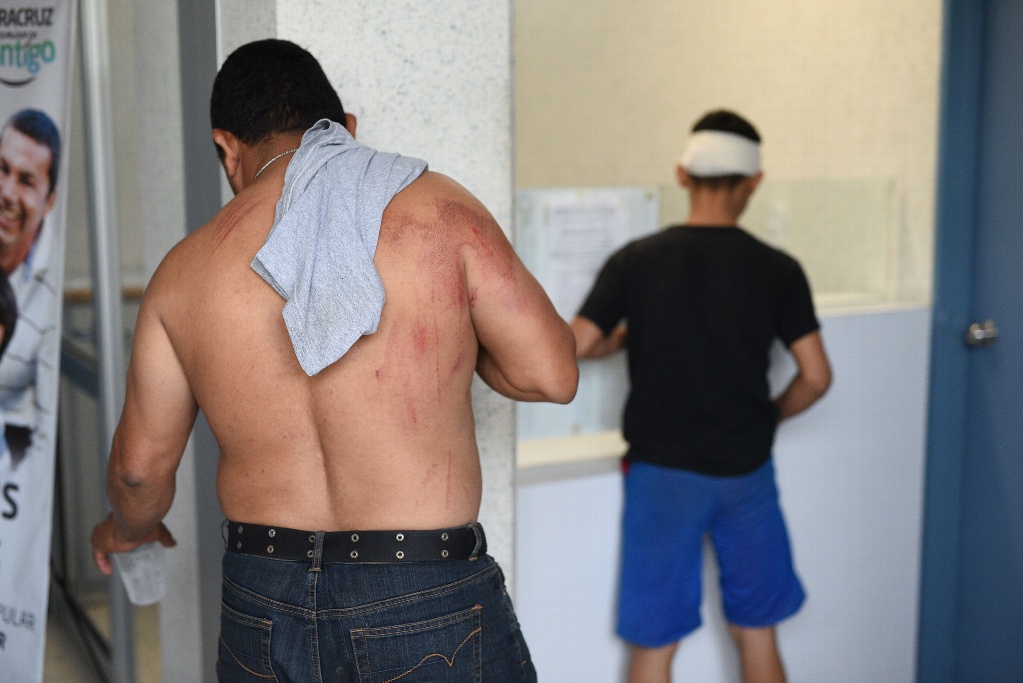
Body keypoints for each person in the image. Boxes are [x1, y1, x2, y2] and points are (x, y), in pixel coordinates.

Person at [91, 39, 577, 680]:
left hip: (262, 596)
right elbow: (551, 374)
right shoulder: (441, 211)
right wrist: (460, 336)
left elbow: (138, 473)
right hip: (422, 586)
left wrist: (125, 531)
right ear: (345, 128)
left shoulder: (183, 272)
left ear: (227, 147)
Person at [572, 110, 832, 683]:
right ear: (754, 182)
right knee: (757, 630)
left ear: (682, 175)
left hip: (662, 476)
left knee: (655, 642)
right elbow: (816, 376)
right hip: (746, 471)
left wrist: (623, 337)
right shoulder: (779, 270)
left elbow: (576, 344)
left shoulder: (636, 260)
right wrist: (767, 418)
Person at [0, 108, 62, 468]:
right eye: (2, 169)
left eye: (26, 181)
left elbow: (43, 429)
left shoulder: (51, 281)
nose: (7, 192)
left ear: (49, 201)